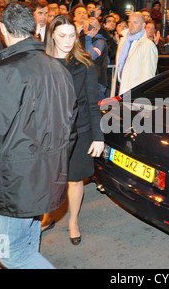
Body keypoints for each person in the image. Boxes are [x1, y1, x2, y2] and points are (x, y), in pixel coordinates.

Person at [0, 2, 77, 269]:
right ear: (34, 28)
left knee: (12, 254)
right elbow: (71, 129)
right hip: (47, 175)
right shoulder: (59, 70)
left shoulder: (2, 71)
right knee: (27, 243)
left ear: (2, 29)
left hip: (15, 182)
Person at [44, 14, 104, 245]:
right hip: (49, 132)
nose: (68, 41)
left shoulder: (85, 64)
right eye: (62, 36)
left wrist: (98, 137)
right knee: (49, 178)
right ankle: (48, 215)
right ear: (52, 35)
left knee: (75, 179)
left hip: (79, 131)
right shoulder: (42, 63)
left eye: (72, 35)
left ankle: (73, 221)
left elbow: (92, 103)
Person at [114, 12, 158, 96]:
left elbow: (148, 75)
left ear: (143, 25)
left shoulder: (148, 45)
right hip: (120, 87)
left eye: (135, 22)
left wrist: (143, 96)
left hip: (135, 92)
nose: (131, 25)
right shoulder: (123, 41)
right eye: (129, 22)